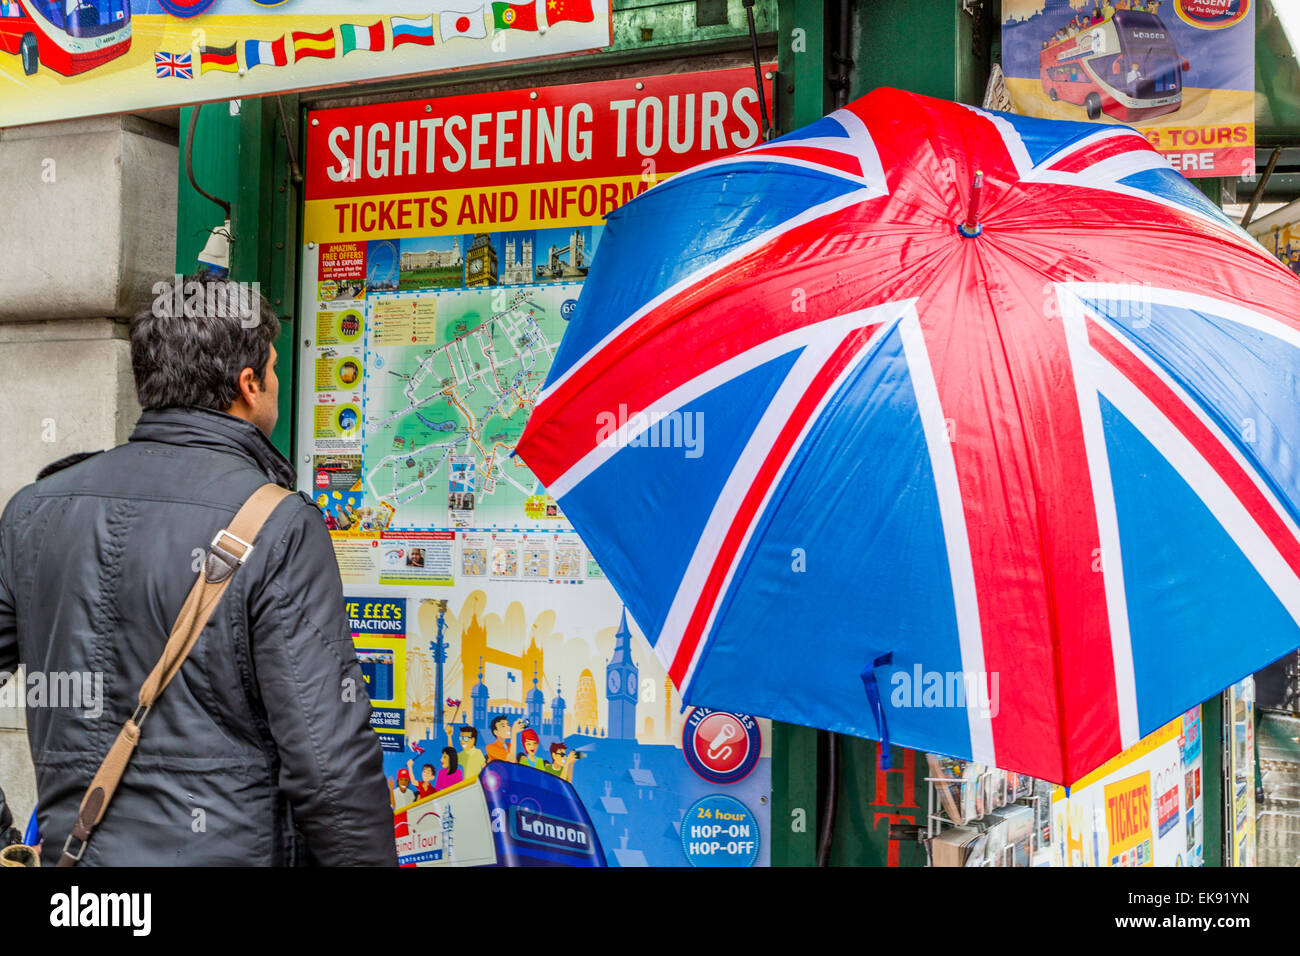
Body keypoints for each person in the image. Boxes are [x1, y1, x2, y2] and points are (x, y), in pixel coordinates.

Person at [0, 271, 396, 866]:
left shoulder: (33, 512)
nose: (276, 381)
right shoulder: (279, 525)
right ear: (247, 385)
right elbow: (330, 770)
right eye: (273, 368)